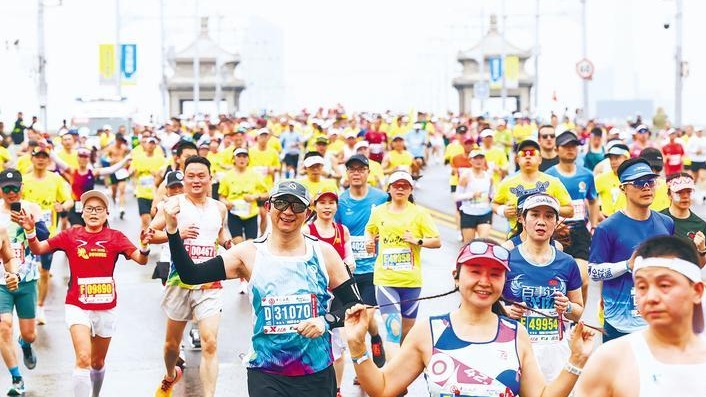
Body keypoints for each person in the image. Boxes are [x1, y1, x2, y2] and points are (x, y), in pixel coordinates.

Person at [163, 180, 360, 397]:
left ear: (307, 213)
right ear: (268, 207)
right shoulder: (248, 253)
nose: (288, 211)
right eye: (281, 203)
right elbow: (192, 275)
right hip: (266, 373)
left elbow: (354, 306)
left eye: (297, 206)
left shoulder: (324, 253)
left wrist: (326, 321)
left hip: (316, 373)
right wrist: (172, 231)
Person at [345, 238, 595, 397]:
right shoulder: (429, 332)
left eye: (495, 274)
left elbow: (542, 395)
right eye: (475, 271)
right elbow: (383, 387)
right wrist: (357, 346)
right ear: (456, 275)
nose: (484, 282)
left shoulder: (516, 334)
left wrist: (576, 360)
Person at [17, 190, 150, 397]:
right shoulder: (71, 235)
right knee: (83, 358)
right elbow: (38, 249)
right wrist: (30, 232)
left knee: (97, 362)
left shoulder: (115, 237)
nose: (93, 213)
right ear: (83, 211)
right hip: (77, 305)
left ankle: (95, 394)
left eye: (98, 209)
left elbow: (141, 260)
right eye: (89, 208)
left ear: (107, 213)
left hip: (106, 307)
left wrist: (144, 247)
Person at [576, 235, 706, 396]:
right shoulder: (611, 360)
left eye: (664, 285)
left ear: (697, 290)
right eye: (642, 286)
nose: (651, 297)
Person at [146, 156, 231, 397]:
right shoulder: (173, 205)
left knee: (210, 342)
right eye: (190, 176)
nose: (196, 180)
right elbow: (150, 235)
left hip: (210, 282)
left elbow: (220, 232)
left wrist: (228, 244)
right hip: (178, 282)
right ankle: (171, 374)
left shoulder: (219, 208)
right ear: (184, 179)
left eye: (201, 175)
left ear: (210, 178)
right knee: (172, 346)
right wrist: (176, 234)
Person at [588, 158, 675, 342]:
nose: (646, 187)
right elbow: (593, 272)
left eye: (650, 182)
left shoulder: (666, 223)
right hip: (620, 323)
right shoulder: (607, 228)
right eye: (638, 182)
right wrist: (627, 265)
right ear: (623, 188)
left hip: (657, 318)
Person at [502, 194, 584, 381]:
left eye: (548, 216)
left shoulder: (567, 263)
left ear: (556, 222)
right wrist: (506, 311)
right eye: (535, 215)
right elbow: (489, 306)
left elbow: (578, 311)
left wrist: (568, 307)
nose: (542, 221)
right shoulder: (507, 259)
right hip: (515, 348)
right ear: (522, 219)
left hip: (554, 353)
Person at [364, 170, 441, 356]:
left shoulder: (420, 214)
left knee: (405, 334)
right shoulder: (379, 212)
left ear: (410, 190)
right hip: (386, 279)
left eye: (404, 186)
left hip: (411, 281)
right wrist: (369, 241)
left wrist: (418, 241)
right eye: (396, 185)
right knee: (394, 329)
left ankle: (399, 370)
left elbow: (437, 241)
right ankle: (394, 383)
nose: (400, 188)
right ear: (389, 189)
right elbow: (370, 229)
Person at [335, 154, 389, 372]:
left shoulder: (382, 198)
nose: (356, 173)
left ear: (368, 172)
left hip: (374, 268)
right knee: (357, 318)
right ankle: (375, 337)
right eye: (352, 169)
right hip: (348, 270)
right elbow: (335, 232)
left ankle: (365, 364)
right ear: (347, 174)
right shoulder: (340, 201)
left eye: (360, 169)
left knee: (364, 317)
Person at [306, 188, 356, 397]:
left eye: (331, 203)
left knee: (336, 340)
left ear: (337, 206)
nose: (327, 207)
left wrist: (345, 266)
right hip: (315, 293)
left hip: (337, 293)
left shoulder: (342, 230)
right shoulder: (307, 230)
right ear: (314, 206)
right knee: (312, 337)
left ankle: (335, 389)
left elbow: (350, 259)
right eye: (322, 202)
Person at [21, 145, 74, 325]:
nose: (41, 159)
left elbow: (69, 200)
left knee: (44, 272)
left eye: (44, 156)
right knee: (25, 270)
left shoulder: (55, 179)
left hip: (47, 233)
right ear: (32, 158)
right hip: (24, 234)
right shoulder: (25, 180)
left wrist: (63, 206)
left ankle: (40, 308)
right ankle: (25, 308)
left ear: (49, 159)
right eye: (38, 156)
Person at [545, 130, 599, 300]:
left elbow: (593, 200)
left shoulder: (587, 175)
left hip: (580, 231)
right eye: (566, 146)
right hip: (556, 232)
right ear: (557, 149)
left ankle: (577, 320)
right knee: (556, 281)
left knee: (583, 281)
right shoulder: (549, 176)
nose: (570, 150)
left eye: (574, 146)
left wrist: (594, 225)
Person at [0, 170, 38, 396]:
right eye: (7, 188)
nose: (12, 193)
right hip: (0, 283)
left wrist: (29, 226)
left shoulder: (31, 209)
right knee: (4, 327)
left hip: (26, 278)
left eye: (15, 188)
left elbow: (44, 237)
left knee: (30, 334)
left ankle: (25, 344)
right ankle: (17, 379)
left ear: (22, 187)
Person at [492, 139, 573, 231]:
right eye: (523, 154)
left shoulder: (553, 182)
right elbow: (494, 204)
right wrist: (502, 210)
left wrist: (550, 207)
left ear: (540, 159)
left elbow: (570, 211)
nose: (528, 156)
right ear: (517, 159)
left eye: (532, 153)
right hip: (516, 235)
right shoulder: (507, 183)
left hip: (544, 236)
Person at [51, 147, 132, 226]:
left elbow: (111, 169)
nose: (83, 159)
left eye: (85, 157)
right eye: (80, 156)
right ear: (77, 158)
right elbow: (58, 161)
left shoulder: (93, 173)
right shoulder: (72, 171)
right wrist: (47, 149)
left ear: (88, 158)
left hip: (89, 207)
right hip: (75, 207)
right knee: (77, 230)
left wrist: (125, 159)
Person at [660, 173, 706, 265]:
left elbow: (700, 265)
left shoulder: (700, 225)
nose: (685, 196)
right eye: (679, 192)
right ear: (669, 194)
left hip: (686, 277)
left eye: (689, 192)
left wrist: (701, 249)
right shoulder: (657, 219)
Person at [454, 149, 493, 243]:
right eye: (475, 158)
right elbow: (457, 197)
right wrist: (472, 195)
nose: (478, 161)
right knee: (469, 246)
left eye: (481, 158)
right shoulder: (465, 176)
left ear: (484, 160)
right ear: (470, 160)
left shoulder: (489, 177)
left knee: (483, 243)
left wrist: (492, 201)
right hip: (468, 213)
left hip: (485, 213)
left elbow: (492, 194)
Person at [129, 136, 167, 229]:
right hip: (142, 193)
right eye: (149, 143)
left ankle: (156, 240)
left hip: (157, 195)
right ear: (145, 145)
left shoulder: (161, 159)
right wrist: (133, 172)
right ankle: (144, 243)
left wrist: (158, 174)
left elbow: (164, 173)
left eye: (153, 143)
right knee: (145, 219)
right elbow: (130, 172)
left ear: (156, 146)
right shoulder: (138, 158)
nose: (151, 145)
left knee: (157, 224)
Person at [594, 140, 631, 217]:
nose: (613, 162)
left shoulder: (633, 178)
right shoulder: (602, 178)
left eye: (617, 158)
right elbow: (588, 197)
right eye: (611, 159)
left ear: (627, 158)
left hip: (629, 221)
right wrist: (598, 213)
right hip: (607, 221)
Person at [105, 134, 132, 219]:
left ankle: (121, 208)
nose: (120, 143)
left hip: (122, 171)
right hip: (113, 170)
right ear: (116, 140)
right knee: (114, 191)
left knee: (122, 190)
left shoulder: (124, 148)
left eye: (121, 141)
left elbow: (130, 154)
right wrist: (110, 160)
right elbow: (105, 157)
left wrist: (128, 161)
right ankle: (114, 203)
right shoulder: (111, 148)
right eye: (119, 141)